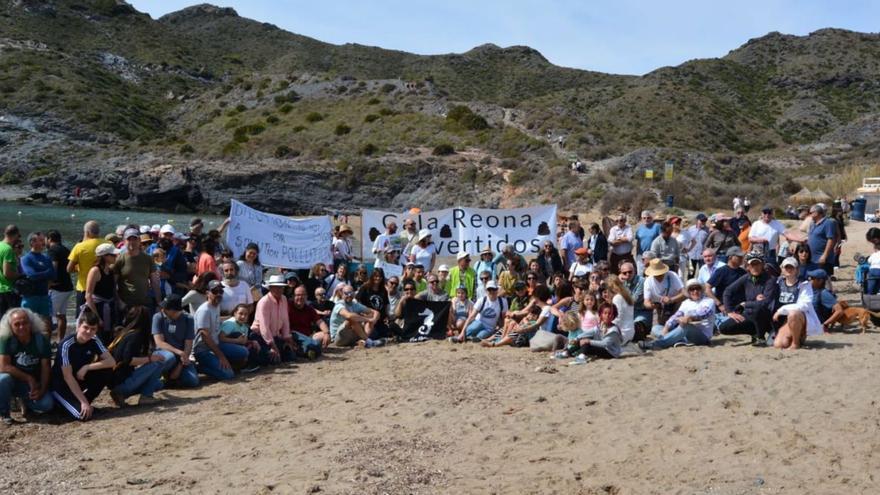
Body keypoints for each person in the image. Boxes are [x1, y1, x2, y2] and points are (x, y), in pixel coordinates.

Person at [50, 309, 115, 420]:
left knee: (106, 371)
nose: (89, 332)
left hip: (79, 378)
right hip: (61, 385)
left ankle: (85, 403)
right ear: (79, 326)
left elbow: (111, 362)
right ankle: (76, 404)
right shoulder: (66, 345)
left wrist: (87, 367)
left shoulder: (94, 340)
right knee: (81, 416)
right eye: (86, 327)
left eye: (93, 329)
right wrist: (83, 402)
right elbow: (68, 377)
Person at [0, 308, 54, 424]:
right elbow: (3, 367)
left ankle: (25, 403)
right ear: (11, 326)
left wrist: (42, 390)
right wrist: (28, 378)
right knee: (3, 379)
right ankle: (4, 413)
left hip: (33, 385)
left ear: (31, 323)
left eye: (25, 323)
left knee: (47, 404)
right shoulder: (6, 339)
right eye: (17, 324)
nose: (21, 327)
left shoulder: (41, 340)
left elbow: (46, 368)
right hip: (14, 382)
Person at [107, 307, 167, 406]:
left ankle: (120, 394)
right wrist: (149, 359)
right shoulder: (136, 336)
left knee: (159, 384)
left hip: (115, 380)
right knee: (158, 363)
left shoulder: (126, 332)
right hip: (121, 383)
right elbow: (128, 360)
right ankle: (145, 396)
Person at [718, 253, 778, 344]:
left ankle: (760, 337)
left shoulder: (770, 280)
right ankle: (753, 332)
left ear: (762, 265)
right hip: (749, 313)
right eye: (752, 264)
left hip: (767, 317)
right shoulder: (746, 278)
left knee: (758, 309)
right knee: (724, 328)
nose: (755, 267)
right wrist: (729, 311)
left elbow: (766, 303)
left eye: (757, 264)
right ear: (748, 266)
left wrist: (745, 304)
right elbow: (728, 291)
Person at [193, 280, 247, 380]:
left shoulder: (216, 306)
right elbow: (205, 336)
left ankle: (222, 365)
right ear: (207, 293)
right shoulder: (204, 310)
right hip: (203, 350)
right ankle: (199, 368)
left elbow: (217, 322)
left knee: (243, 352)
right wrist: (221, 356)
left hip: (216, 344)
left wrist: (234, 319)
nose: (218, 294)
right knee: (228, 375)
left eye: (221, 291)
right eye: (215, 291)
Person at [643, 279, 715, 350]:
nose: (695, 291)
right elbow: (677, 315)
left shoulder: (708, 301)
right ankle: (677, 339)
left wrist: (689, 317)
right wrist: (667, 327)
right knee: (656, 328)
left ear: (701, 290)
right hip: (685, 332)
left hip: (702, 335)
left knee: (685, 327)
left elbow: (703, 314)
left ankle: (657, 344)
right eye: (692, 289)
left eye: (697, 288)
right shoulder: (686, 302)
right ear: (688, 291)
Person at [152, 294, 198, 388]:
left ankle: (169, 381)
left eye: (166, 308)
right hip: (164, 354)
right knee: (170, 357)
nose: (163, 310)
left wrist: (180, 365)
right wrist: (179, 352)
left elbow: (188, 344)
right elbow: (159, 342)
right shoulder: (158, 317)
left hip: (181, 357)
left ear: (174, 310)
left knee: (192, 381)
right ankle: (158, 377)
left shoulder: (188, 319)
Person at [251, 275, 297, 363]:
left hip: (275, 335)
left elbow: (285, 320)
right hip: (260, 336)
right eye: (276, 287)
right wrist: (272, 345)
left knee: (291, 355)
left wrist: (287, 337)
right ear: (270, 288)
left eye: (281, 287)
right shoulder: (264, 302)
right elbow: (264, 327)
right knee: (272, 358)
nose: (279, 290)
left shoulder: (284, 299)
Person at [66, 221, 107, 318]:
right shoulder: (107, 244)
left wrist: (79, 268)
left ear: (87, 232)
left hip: (84, 288)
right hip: (103, 287)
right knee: (101, 318)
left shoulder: (80, 247)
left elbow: (69, 269)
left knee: (82, 318)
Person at [114, 228, 162, 311]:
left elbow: (155, 282)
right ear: (124, 241)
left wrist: (159, 303)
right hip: (126, 304)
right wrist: (119, 301)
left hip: (145, 303)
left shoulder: (148, 259)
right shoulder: (119, 260)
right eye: (129, 239)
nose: (132, 242)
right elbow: (113, 284)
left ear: (139, 240)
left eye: (135, 239)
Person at [85, 243, 121, 343]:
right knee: (97, 337)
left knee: (109, 336)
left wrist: (120, 303)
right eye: (113, 255)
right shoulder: (95, 271)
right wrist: (97, 317)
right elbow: (88, 295)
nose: (116, 257)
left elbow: (113, 290)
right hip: (98, 308)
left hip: (110, 307)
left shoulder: (110, 270)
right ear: (105, 256)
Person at [19, 232, 56, 324]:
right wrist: (46, 273)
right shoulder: (26, 259)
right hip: (30, 297)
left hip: (44, 296)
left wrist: (41, 274)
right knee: (28, 324)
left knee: (45, 324)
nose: (44, 242)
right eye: (40, 240)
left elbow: (54, 275)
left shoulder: (46, 258)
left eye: (43, 240)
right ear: (32, 243)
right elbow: (32, 275)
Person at [643, 259, 685, 326]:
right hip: (660, 307)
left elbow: (684, 293)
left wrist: (671, 299)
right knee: (661, 326)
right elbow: (646, 302)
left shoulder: (672, 275)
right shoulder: (648, 281)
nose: (658, 276)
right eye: (656, 274)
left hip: (675, 303)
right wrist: (652, 305)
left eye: (660, 273)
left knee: (676, 324)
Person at [288, 286, 330, 353]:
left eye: (303, 295)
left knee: (324, 335)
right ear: (293, 296)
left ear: (306, 296)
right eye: (298, 295)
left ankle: (307, 349)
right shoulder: (288, 307)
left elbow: (320, 322)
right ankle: (309, 349)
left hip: (307, 337)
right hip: (292, 336)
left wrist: (327, 333)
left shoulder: (309, 309)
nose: (300, 297)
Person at [219, 303, 261, 368]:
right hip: (223, 347)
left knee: (255, 346)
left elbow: (243, 341)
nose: (243, 317)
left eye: (246, 315)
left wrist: (252, 342)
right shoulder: (230, 324)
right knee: (238, 337)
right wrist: (237, 341)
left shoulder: (245, 327)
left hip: (236, 345)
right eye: (240, 314)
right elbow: (220, 338)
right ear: (235, 313)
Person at [706, 247, 747, 311]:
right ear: (730, 257)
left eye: (742, 257)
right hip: (725, 310)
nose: (741, 259)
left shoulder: (743, 272)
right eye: (739, 257)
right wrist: (719, 304)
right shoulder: (721, 271)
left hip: (741, 309)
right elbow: (707, 288)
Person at [807, 204, 839, 274]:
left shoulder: (828, 223)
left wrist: (824, 255)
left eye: (810, 213)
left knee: (824, 280)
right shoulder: (813, 224)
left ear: (816, 213)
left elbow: (831, 240)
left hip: (822, 259)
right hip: (812, 258)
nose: (809, 215)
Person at [605, 276, 635, 344]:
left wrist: (608, 329)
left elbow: (618, 317)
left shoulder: (617, 298)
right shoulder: (627, 296)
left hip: (622, 333)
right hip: (630, 331)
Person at [0, 225, 21, 315]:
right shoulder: (8, 249)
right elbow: (7, 274)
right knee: (7, 321)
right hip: (6, 291)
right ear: (15, 235)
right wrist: (20, 275)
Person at [634, 211, 661, 276]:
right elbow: (638, 241)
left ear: (651, 218)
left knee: (653, 274)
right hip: (641, 255)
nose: (646, 219)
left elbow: (661, 240)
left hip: (653, 254)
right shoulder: (639, 228)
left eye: (648, 218)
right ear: (641, 219)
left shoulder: (657, 227)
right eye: (644, 218)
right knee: (640, 274)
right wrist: (637, 254)